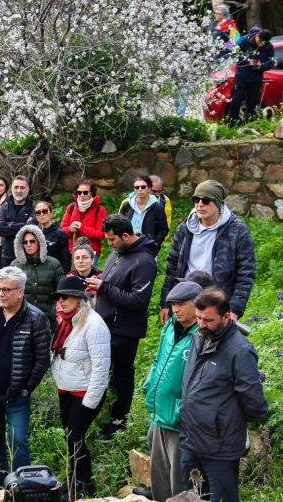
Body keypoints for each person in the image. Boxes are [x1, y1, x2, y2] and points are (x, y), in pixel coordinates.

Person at [179, 288, 268, 502]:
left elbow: (252, 399)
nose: (200, 324)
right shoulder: (199, 337)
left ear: (226, 316)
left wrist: (228, 421)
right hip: (191, 438)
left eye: (208, 320)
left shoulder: (240, 351)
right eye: (198, 317)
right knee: (191, 496)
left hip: (219, 445)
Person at [0, 266, 51, 487]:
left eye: (6, 290)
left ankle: (22, 485)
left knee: (18, 440)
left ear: (20, 292)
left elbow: (42, 359)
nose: (1, 294)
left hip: (17, 394)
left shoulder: (35, 317)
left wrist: (27, 387)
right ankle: (0, 482)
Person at [89, 214, 158, 440]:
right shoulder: (119, 252)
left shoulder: (144, 261)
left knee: (121, 376)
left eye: (111, 240)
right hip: (106, 324)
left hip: (124, 330)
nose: (109, 245)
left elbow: (139, 301)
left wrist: (104, 287)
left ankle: (118, 423)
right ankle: (105, 415)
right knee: (105, 373)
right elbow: (110, 281)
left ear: (126, 236)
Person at [160, 179, 256, 324]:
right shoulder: (185, 228)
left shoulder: (237, 230)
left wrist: (234, 310)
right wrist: (166, 302)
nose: (200, 204)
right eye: (196, 199)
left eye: (205, 200)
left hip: (215, 304)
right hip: (185, 300)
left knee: (209, 345)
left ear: (218, 203)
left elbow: (246, 273)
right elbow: (172, 267)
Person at [140, 281, 203, 502]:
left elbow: (202, 383)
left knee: (179, 481)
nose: (175, 309)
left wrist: (180, 409)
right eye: (173, 304)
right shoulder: (170, 326)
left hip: (179, 418)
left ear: (197, 304)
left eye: (181, 304)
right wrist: (149, 385)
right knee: (160, 477)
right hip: (159, 412)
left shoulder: (203, 335)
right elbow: (158, 359)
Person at [50, 276, 111, 500]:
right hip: (67, 389)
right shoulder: (68, 321)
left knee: (74, 437)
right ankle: (73, 480)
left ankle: (84, 484)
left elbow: (101, 366)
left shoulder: (94, 325)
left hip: (84, 392)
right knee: (70, 437)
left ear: (78, 298)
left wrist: (91, 400)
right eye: (58, 297)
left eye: (65, 297)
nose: (60, 301)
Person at [11, 225, 65, 331]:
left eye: (32, 241)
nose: (28, 245)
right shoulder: (15, 265)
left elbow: (62, 292)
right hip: (23, 320)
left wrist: (54, 311)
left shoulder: (53, 264)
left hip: (48, 321)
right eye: (25, 242)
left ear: (40, 242)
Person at [227, 28, 278, 125]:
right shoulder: (244, 40)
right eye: (260, 41)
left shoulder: (269, 47)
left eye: (264, 43)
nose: (261, 44)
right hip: (241, 76)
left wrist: (261, 66)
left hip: (256, 78)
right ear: (257, 36)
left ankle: (250, 124)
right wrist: (247, 61)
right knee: (237, 99)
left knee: (253, 103)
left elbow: (271, 62)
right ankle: (231, 124)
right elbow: (234, 54)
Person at [60, 178, 108, 263]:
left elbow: (101, 234)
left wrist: (82, 228)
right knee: (71, 276)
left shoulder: (100, 210)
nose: (82, 195)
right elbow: (61, 230)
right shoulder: (71, 207)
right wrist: (70, 229)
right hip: (72, 252)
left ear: (91, 192)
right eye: (79, 192)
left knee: (89, 276)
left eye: (85, 192)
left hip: (91, 253)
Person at [118, 175, 169, 252]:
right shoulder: (127, 205)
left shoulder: (157, 208)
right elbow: (118, 225)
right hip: (127, 248)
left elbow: (163, 230)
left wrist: (154, 244)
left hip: (147, 251)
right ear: (134, 190)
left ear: (149, 189)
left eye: (143, 187)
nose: (140, 189)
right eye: (137, 187)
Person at [0, 175, 34, 266]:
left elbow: (31, 228)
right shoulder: (4, 206)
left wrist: (10, 225)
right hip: (7, 256)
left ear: (28, 190)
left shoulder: (33, 207)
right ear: (12, 189)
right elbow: (0, 229)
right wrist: (23, 225)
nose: (19, 190)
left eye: (22, 187)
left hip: (27, 256)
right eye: (16, 187)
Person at [33, 200, 71, 272]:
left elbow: (66, 260)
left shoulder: (60, 233)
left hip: (55, 273)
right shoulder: (33, 234)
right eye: (38, 212)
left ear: (51, 213)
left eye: (44, 211)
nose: (41, 214)